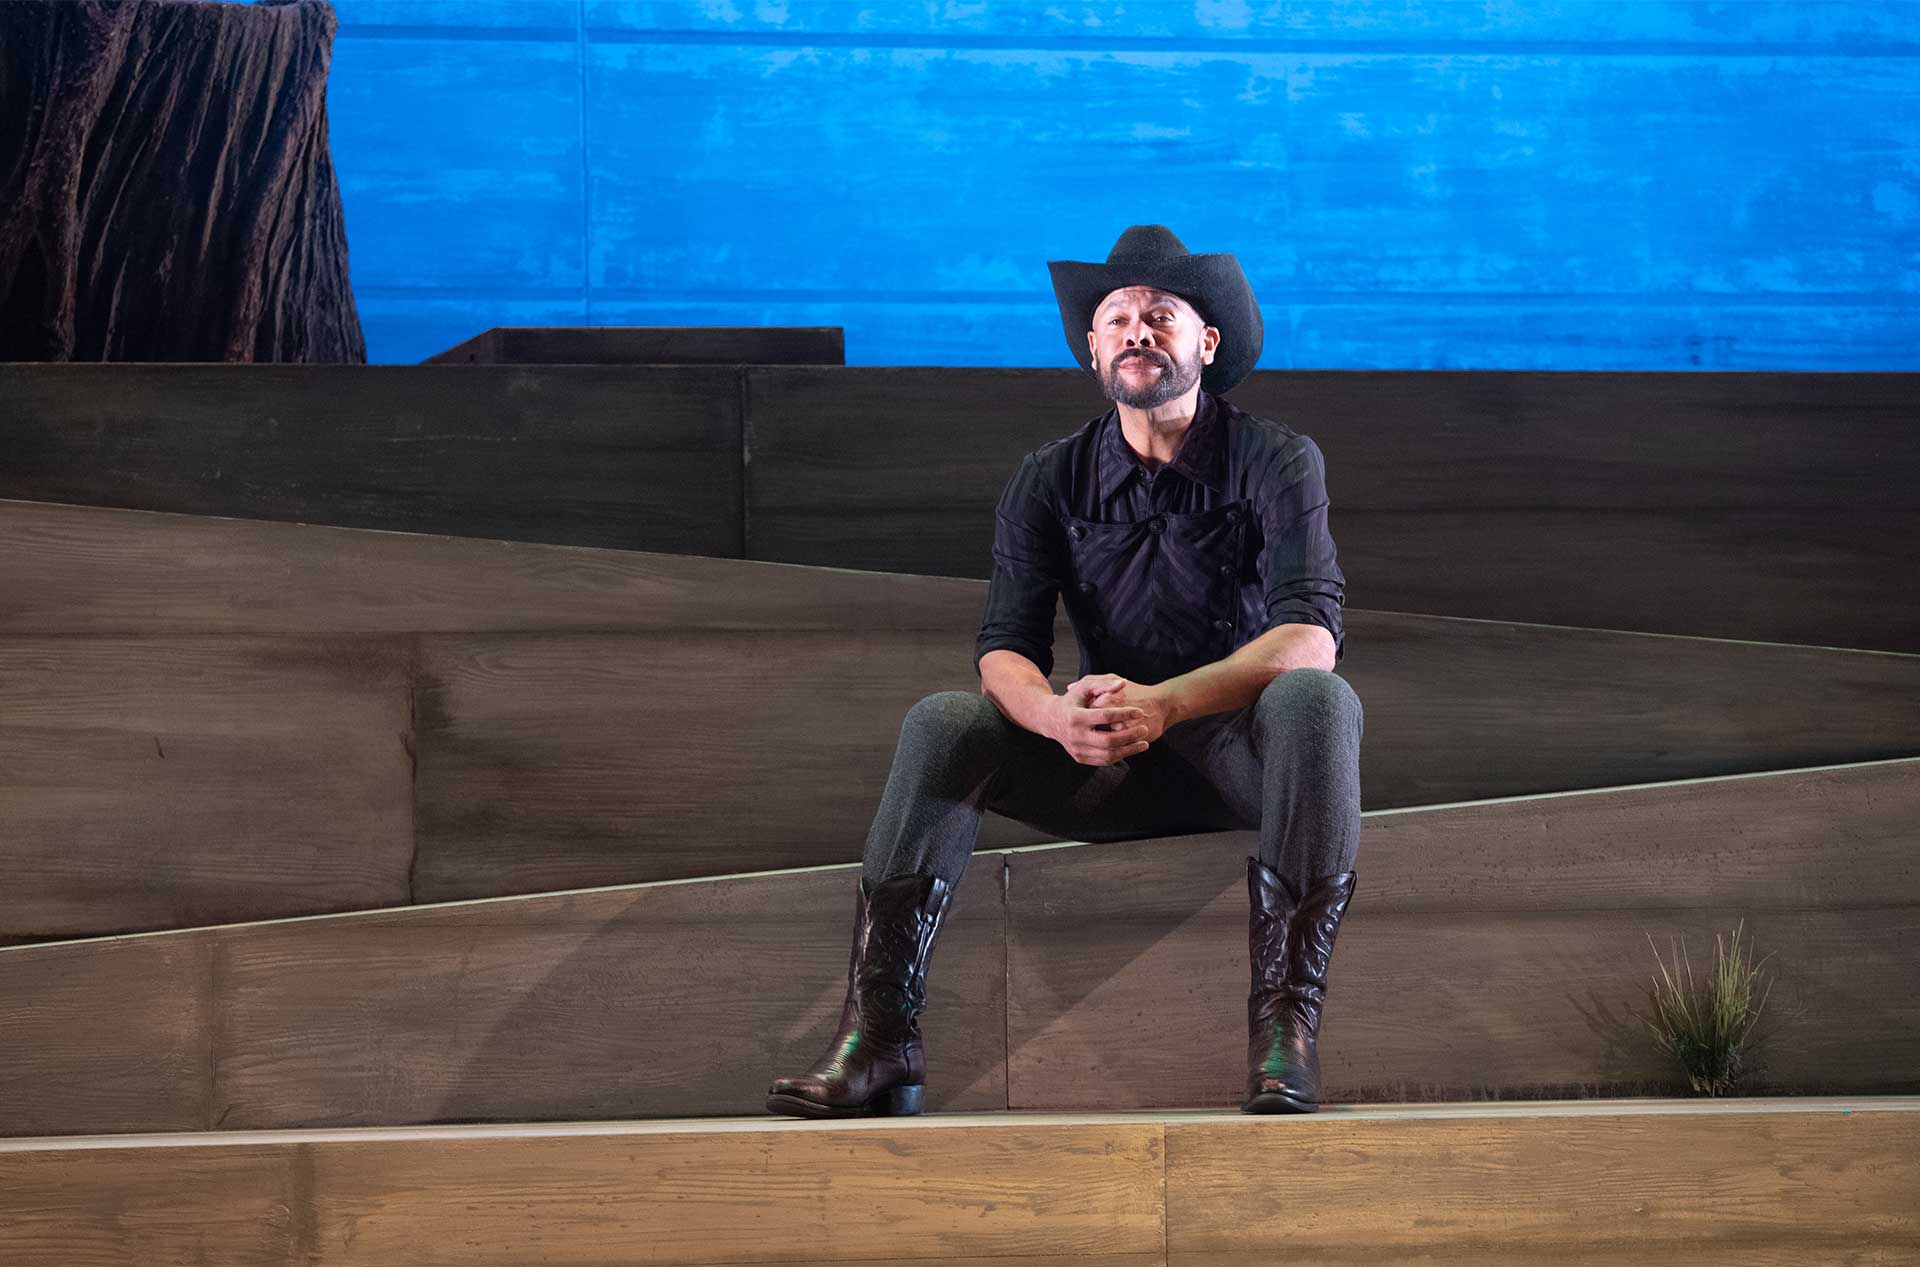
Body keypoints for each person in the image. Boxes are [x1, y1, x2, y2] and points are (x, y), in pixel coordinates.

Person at [766, 224, 1363, 1120]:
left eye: (1160, 315)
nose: (1135, 330)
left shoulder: (1278, 459)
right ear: (1092, 348)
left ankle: (1287, 1031)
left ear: (1207, 342)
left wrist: (1168, 703)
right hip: (1104, 764)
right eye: (1116, 317)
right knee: (943, 719)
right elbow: (1004, 646)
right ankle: (883, 1039)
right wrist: (1053, 719)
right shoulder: (1048, 477)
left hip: (1246, 767)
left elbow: (1310, 634)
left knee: (1319, 699)